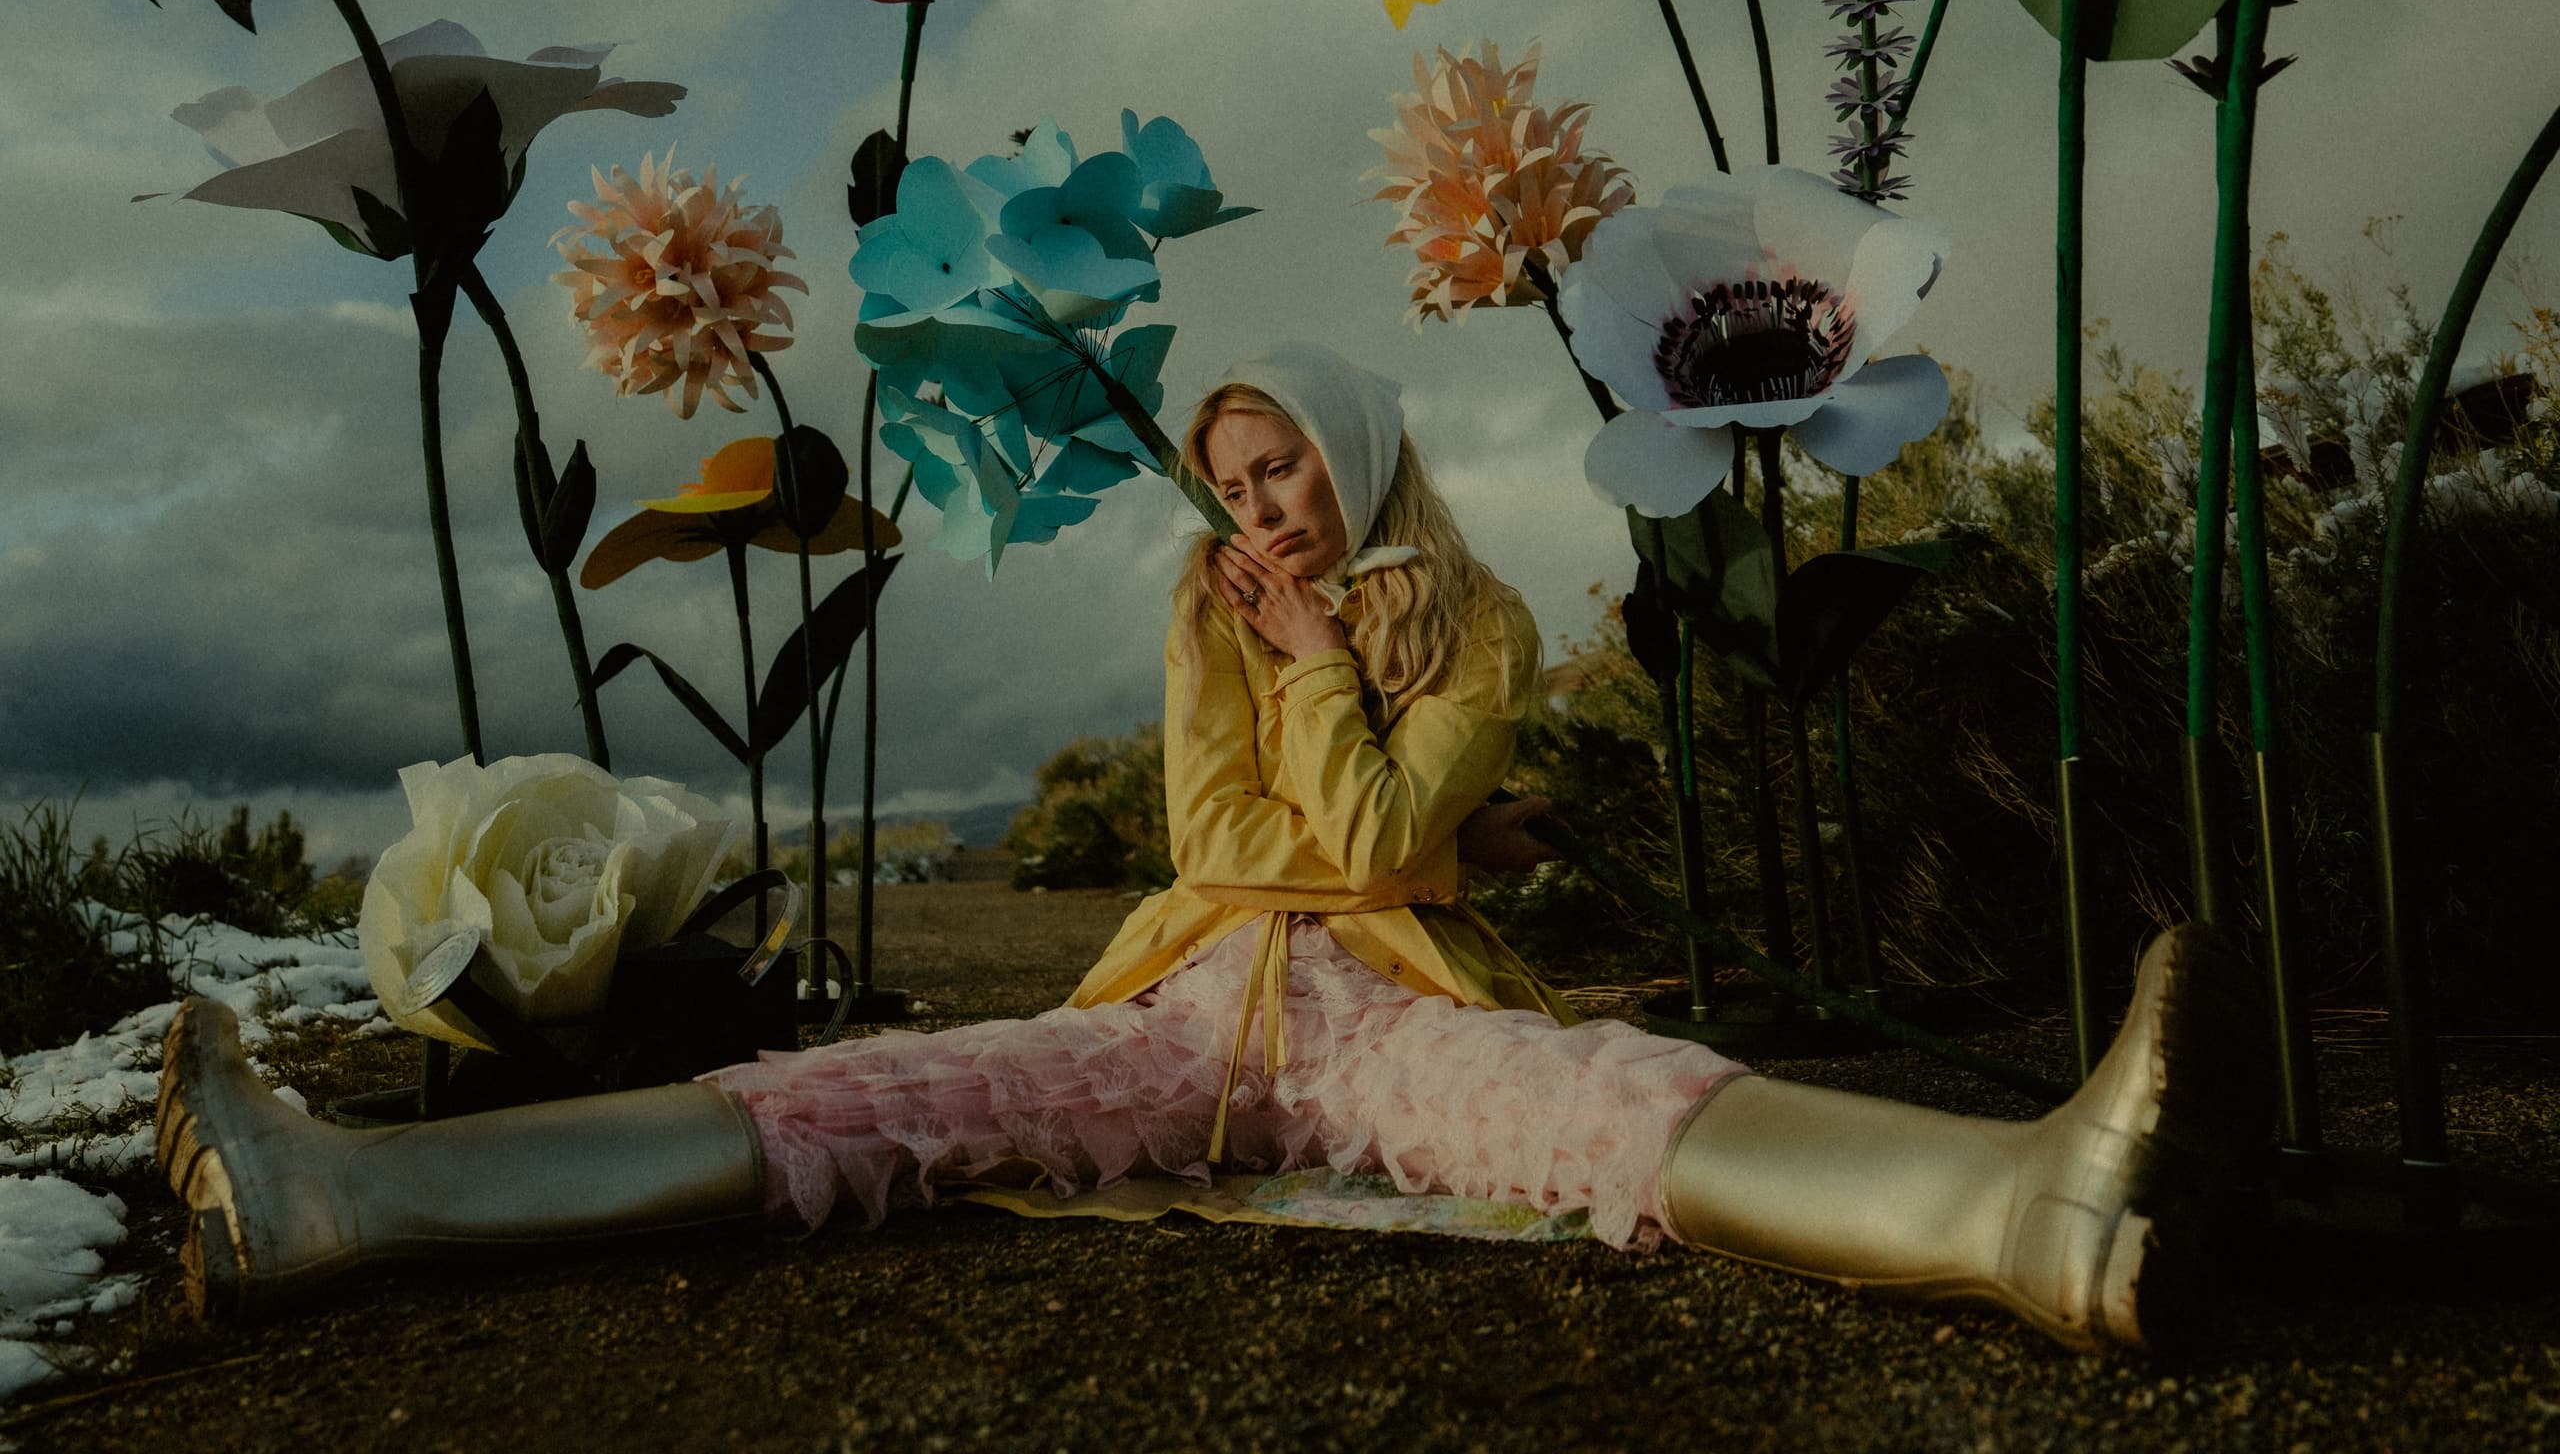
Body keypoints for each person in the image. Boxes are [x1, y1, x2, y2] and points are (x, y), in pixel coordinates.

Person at [157, 343, 2267, 1353]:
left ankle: (2021, 1212)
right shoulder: (1206, 609)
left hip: (1381, 1016)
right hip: (1183, 996)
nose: (1255, 515)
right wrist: (1326, 732)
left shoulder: (1474, 616)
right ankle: (344, 1194)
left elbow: (1357, 829)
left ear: (1355, 463)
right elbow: (1222, 835)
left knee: (1607, 1106)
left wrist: (1337, 674)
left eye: (1284, 476)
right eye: (1231, 486)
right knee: (872, 1099)